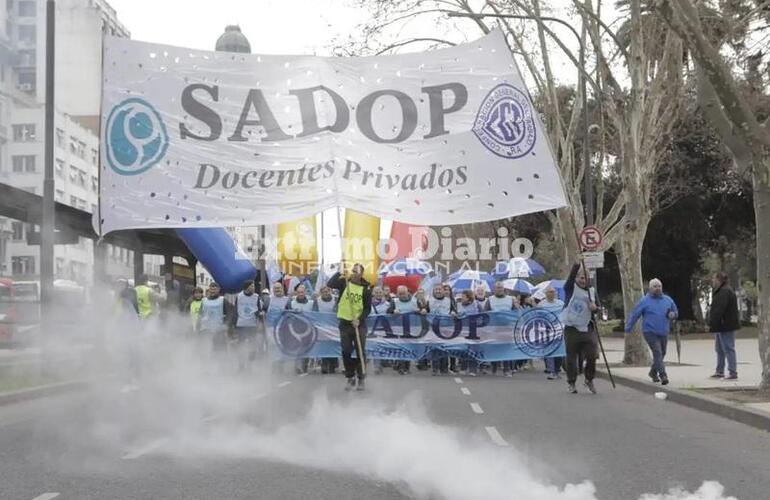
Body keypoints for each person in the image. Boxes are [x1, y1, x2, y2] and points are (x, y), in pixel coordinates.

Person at [327, 263, 373, 391]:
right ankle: (350, 376)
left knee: (360, 351)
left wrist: (359, 319)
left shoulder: (366, 289)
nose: (354, 273)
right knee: (346, 351)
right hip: (345, 323)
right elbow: (330, 284)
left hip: (359, 324)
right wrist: (339, 271)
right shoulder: (344, 283)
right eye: (353, 271)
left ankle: (361, 378)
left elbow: (367, 308)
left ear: (361, 273)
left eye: (356, 271)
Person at [625, 279, 678, 385]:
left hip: (663, 331)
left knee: (662, 353)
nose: (657, 288)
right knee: (657, 352)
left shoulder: (668, 300)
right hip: (650, 331)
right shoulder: (645, 301)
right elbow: (635, 314)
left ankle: (653, 372)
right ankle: (663, 375)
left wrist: (673, 314)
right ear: (650, 288)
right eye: (655, 286)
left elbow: (675, 311)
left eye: (659, 286)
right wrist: (628, 328)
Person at [561, 263, 599, 394]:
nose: (583, 281)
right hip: (571, 329)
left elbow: (597, 309)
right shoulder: (570, 288)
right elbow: (571, 277)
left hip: (587, 328)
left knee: (592, 355)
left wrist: (595, 308)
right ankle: (571, 382)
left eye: (586, 278)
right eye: (581, 278)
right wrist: (577, 263)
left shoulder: (592, 292)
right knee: (571, 358)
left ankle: (589, 380)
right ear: (576, 278)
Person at [709, 271, 740, 380]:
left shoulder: (724, 292)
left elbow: (719, 309)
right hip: (721, 325)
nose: (712, 281)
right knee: (719, 349)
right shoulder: (721, 290)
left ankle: (732, 372)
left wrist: (712, 322)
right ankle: (719, 370)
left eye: (714, 279)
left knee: (728, 348)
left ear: (719, 280)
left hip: (725, 324)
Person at [484, 280, 517, 377]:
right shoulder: (490, 299)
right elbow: (485, 313)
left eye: (500, 288)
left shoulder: (510, 299)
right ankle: (494, 368)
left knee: (506, 348)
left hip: (507, 327)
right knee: (495, 348)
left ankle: (506, 369)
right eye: (497, 288)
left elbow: (515, 312)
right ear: (494, 289)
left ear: (503, 289)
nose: (499, 290)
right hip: (494, 327)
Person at [232, 280, 262, 372]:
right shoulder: (239, 296)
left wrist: (260, 319)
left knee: (253, 346)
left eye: (253, 286)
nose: (253, 288)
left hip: (252, 325)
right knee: (241, 346)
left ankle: (250, 364)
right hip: (241, 325)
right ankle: (241, 365)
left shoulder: (256, 297)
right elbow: (236, 310)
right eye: (251, 286)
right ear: (246, 287)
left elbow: (259, 310)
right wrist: (234, 325)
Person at [198, 282, 234, 357]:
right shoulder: (204, 301)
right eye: (211, 289)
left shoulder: (223, 300)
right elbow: (200, 315)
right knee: (205, 352)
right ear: (209, 289)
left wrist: (226, 325)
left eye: (215, 289)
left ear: (219, 290)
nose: (213, 291)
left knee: (219, 352)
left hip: (219, 331)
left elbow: (230, 314)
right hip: (206, 330)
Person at [537, 286, 565, 380]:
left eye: (553, 292)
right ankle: (551, 371)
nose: (551, 294)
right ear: (546, 294)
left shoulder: (561, 303)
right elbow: (537, 316)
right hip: (547, 331)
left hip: (559, 330)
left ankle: (557, 370)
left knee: (559, 353)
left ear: (556, 293)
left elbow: (565, 314)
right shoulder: (542, 304)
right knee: (550, 352)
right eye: (549, 292)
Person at [427, 284, 456, 375]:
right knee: (435, 348)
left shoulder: (449, 301)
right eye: (436, 290)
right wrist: (423, 310)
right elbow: (425, 311)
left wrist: (453, 312)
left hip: (446, 328)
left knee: (445, 348)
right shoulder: (429, 301)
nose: (438, 291)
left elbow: (455, 310)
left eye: (440, 289)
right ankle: (435, 368)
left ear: (443, 291)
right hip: (433, 328)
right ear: (434, 291)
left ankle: (444, 368)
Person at [392, 285, 419, 374]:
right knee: (401, 348)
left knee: (408, 348)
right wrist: (393, 311)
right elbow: (388, 311)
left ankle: (406, 367)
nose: (402, 295)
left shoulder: (415, 301)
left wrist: (421, 310)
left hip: (412, 328)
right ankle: (401, 366)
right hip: (399, 329)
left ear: (408, 292)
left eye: (403, 293)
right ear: (397, 294)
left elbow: (424, 310)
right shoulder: (394, 301)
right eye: (400, 294)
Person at [370, 286, 396, 375]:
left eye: (380, 292)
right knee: (376, 348)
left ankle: (384, 363)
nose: (378, 294)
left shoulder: (388, 304)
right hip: (374, 330)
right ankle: (377, 367)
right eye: (376, 292)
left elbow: (392, 317)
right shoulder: (369, 305)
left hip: (385, 330)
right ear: (373, 293)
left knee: (384, 347)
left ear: (383, 293)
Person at [313, 286, 339, 374]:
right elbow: (314, 312)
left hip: (333, 326)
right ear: (321, 293)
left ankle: (333, 363)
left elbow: (337, 311)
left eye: (327, 291)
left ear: (330, 291)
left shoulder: (335, 300)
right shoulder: (317, 301)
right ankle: (324, 363)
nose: (326, 293)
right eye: (324, 292)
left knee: (333, 344)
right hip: (322, 326)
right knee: (324, 344)